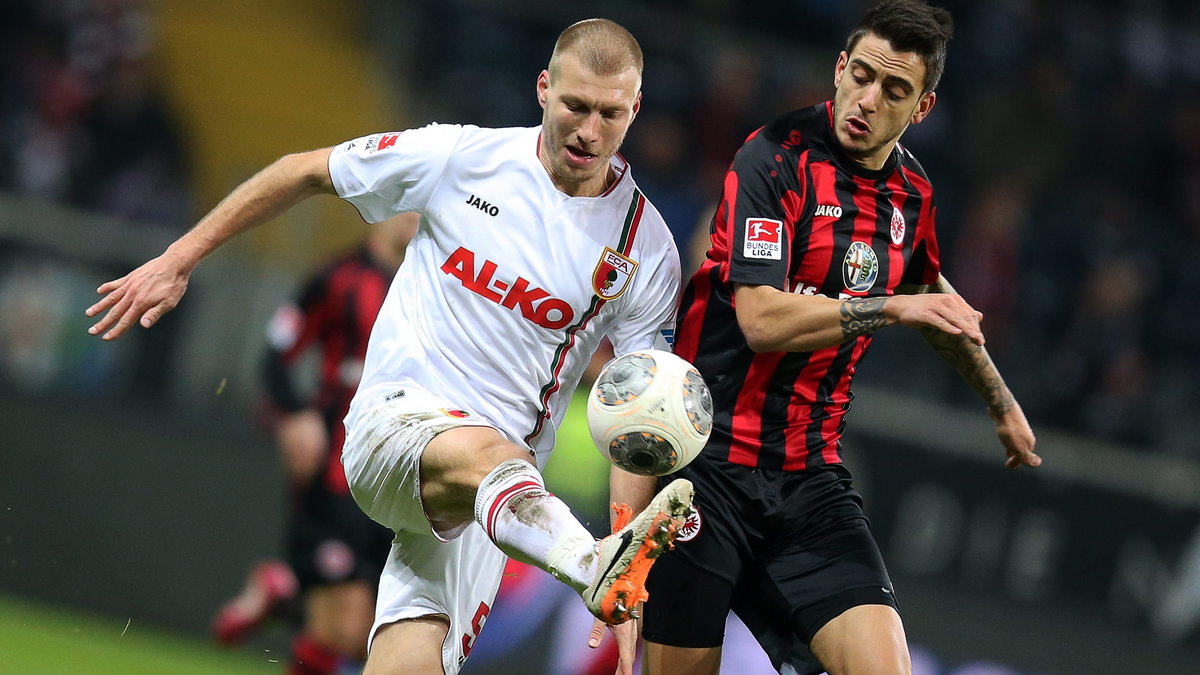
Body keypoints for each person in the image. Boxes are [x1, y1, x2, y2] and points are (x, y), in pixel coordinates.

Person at [85, 18, 693, 675]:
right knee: (495, 456)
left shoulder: (646, 248)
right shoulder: (462, 157)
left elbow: (637, 414)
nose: (588, 130)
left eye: (609, 113)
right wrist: (179, 258)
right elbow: (304, 170)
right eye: (575, 105)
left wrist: (629, 541)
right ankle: (585, 562)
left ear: (634, 110)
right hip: (395, 428)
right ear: (543, 89)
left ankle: (598, 562)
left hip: (497, 505)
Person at [622, 3, 1042, 674]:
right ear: (840, 69)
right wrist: (889, 309)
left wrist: (1000, 402)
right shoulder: (772, 159)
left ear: (923, 107)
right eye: (864, 76)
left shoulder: (912, 194)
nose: (869, 99)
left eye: (895, 89)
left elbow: (932, 299)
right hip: (706, 470)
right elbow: (761, 322)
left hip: (808, 480)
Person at [211, 214, 418, 674]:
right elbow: (276, 356)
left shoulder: (426, 286)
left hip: (396, 473)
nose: (415, 217)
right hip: (336, 466)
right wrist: (296, 415)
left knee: (364, 637)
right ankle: (288, 589)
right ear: (381, 208)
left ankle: (284, 590)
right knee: (342, 626)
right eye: (406, 204)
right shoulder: (338, 277)